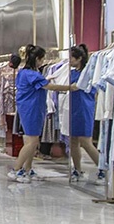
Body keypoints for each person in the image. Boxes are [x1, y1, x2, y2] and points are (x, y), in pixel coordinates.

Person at [12, 44, 76, 183]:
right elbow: (49, 86)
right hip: (32, 108)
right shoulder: (33, 74)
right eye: (42, 59)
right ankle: (17, 169)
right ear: (37, 59)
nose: (42, 62)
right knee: (32, 141)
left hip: (28, 108)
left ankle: (27, 168)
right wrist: (69, 87)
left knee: (30, 141)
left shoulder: (24, 72)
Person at [66, 44, 103, 182]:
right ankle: (77, 169)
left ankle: (102, 169)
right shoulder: (72, 72)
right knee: (73, 140)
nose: (69, 60)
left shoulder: (88, 73)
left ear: (79, 58)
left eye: (71, 57)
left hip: (84, 107)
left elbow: (79, 87)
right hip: (73, 108)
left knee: (86, 141)